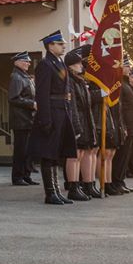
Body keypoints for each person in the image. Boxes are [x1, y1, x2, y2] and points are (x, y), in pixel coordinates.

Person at [26, 30, 77, 205]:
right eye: (60, 44)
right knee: (48, 154)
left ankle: (56, 190)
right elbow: (42, 94)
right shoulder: (45, 65)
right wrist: (45, 119)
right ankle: (50, 192)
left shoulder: (59, 63)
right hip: (52, 113)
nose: (64, 46)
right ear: (50, 45)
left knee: (56, 154)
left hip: (61, 111)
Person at [89, 54, 123, 196]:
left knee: (109, 154)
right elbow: (88, 97)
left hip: (109, 120)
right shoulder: (92, 78)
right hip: (97, 120)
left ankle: (108, 183)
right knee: (99, 153)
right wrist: (99, 93)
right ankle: (96, 183)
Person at [64, 46, 95, 200]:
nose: (82, 65)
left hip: (84, 121)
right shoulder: (69, 81)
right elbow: (73, 107)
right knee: (74, 155)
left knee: (82, 153)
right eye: (78, 63)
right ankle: (73, 187)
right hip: (77, 122)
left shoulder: (79, 81)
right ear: (71, 65)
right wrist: (76, 126)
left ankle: (87, 185)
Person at [8, 52, 38, 186]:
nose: (28, 63)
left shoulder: (25, 76)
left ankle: (26, 175)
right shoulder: (16, 77)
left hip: (28, 119)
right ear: (17, 62)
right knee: (21, 150)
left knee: (28, 150)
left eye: (29, 61)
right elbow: (14, 98)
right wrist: (31, 104)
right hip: (21, 119)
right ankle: (18, 177)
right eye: (25, 61)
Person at [114, 58, 133, 192]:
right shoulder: (119, 84)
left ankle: (120, 180)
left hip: (131, 125)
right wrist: (122, 125)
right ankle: (115, 181)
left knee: (125, 156)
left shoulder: (126, 83)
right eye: (126, 65)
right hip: (124, 125)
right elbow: (120, 107)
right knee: (120, 156)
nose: (129, 68)